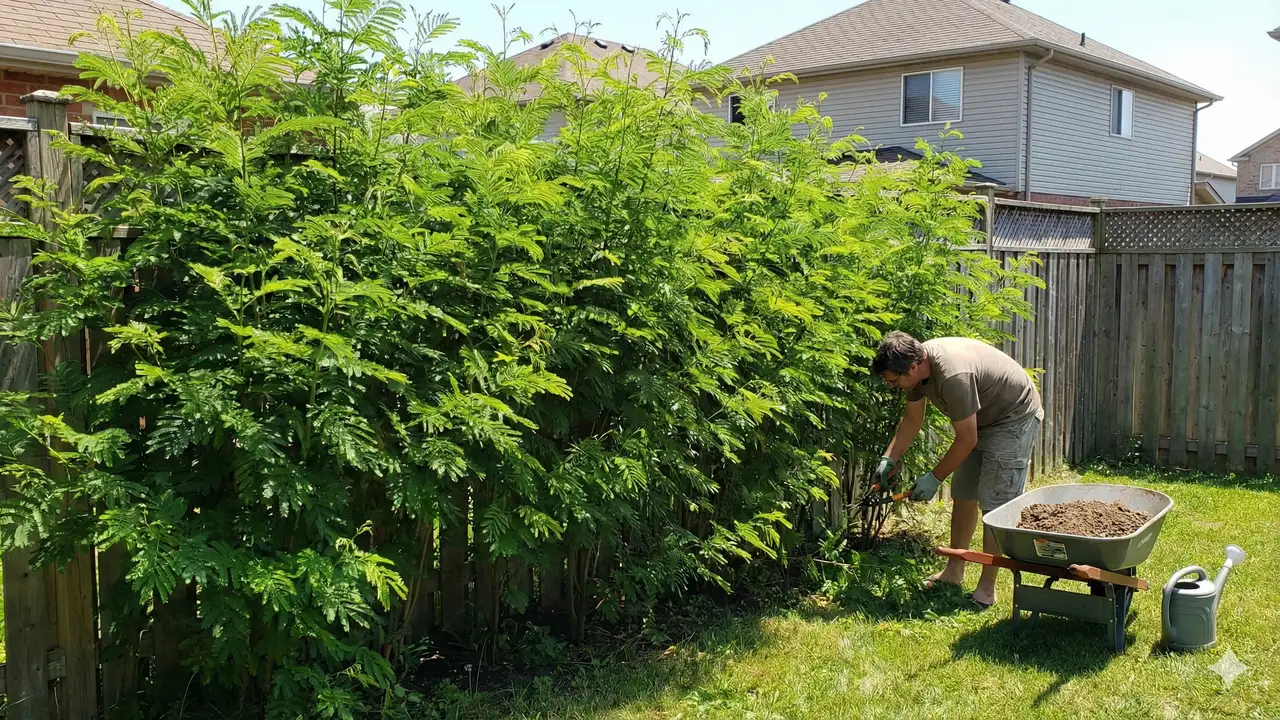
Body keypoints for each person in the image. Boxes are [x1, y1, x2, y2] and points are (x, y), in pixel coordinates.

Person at [871, 331, 1043, 608]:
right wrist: (888, 458)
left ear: (912, 368)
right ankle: (954, 571)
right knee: (963, 492)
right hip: (979, 419)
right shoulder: (916, 369)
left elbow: (967, 438)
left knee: (995, 504)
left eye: (894, 381)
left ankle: (987, 588)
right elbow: (913, 419)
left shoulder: (953, 376)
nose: (893, 387)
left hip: (1012, 417)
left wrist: (934, 478)